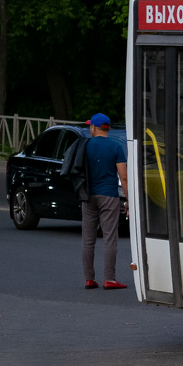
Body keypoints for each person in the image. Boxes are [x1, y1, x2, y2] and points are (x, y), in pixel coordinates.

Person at [80, 113, 129, 290]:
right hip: (109, 196)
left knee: (88, 239)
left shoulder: (84, 146)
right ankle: (109, 278)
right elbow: (123, 176)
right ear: (108, 128)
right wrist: (128, 200)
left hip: (88, 196)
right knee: (109, 237)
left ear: (93, 127)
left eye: (90, 126)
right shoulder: (116, 147)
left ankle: (89, 278)